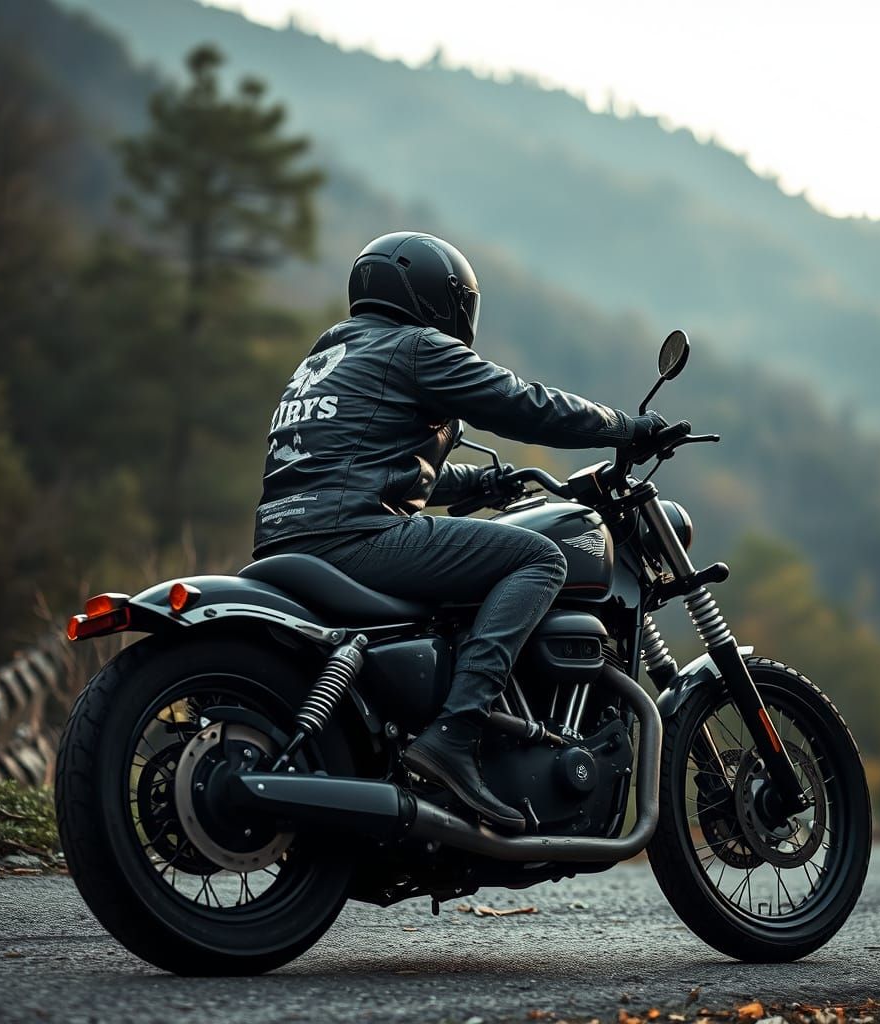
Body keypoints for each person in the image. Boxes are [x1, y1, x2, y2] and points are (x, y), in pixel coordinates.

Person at [253, 231, 666, 833]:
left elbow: (365, 466)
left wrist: (481, 484)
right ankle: (456, 733)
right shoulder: (415, 346)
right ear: (441, 298)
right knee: (539, 560)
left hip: (287, 540)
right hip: (353, 540)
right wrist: (624, 427)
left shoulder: (323, 362)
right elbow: (523, 404)